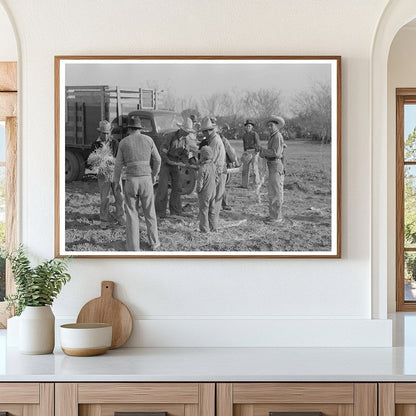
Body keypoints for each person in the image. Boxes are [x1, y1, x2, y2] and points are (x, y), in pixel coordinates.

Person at [112, 114, 161, 251]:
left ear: (129, 129)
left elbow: (117, 165)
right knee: (150, 212)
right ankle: (154, 242)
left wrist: (116, 182)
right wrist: (154, 175)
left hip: (131, 181)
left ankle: (134, 247)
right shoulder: (149, 140)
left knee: (132, 214)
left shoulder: (124, 142)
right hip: (146, 180)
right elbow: (158, 160)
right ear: (140, 128)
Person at [155, 118, 198, 217]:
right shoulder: (170, 137)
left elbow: (185, 154)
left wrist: (188, 162)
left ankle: (175, 212)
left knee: (177, 188)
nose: (187, 134)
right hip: (166, 164)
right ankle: (160, 213)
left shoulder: (186, 140)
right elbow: (163, 150)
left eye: (188, 132)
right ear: (181, 130)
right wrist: (167, 160)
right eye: (186, 132)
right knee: (163, 188)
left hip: (176, 164)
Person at [88, 120, 125, 228]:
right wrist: (99, 162)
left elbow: (120, 158)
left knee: (119, 196)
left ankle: (121, 216)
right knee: (105, 198)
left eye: (108, 133)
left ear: (110, 132)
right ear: (99, 132)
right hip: (103, 175)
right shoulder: (95, 145)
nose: (106, 135)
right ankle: (104, 220)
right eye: (103, 133)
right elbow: (91, 162)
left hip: (115, 174)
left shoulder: (115, 143)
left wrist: (112, 161)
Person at [256, 115, 286, 223]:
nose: (269, 127)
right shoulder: (273, 136)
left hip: (275, 165)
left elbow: (275, 153)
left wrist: (262, 151)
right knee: (273, 192)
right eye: (268, 125)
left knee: (276, 192)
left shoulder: (277, 136)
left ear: (277, 126)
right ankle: (273, 215)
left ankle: (276, 217)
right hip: (272, 165)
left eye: (271, 125)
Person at [199, 116, 226, 231]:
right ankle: (212, 226)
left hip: (217, 173)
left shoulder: (214, 141)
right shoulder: (213, 139)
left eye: (205, 131)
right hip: (216, 172)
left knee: (212, 204)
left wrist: (200, 164)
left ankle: (211, 227)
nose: (205, 133)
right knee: (213, 202)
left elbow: (210, 160)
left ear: (209, 130)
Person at [196, 146, 217, 233]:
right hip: (213, 191)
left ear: (203, 156)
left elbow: (200, 184)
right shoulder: (213, 166)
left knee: (203, 210)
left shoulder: (202, 168)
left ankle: (204, 230)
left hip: (205, 192)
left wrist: (198, 190)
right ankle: (213, 228)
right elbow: (217, 179)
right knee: (212, 210)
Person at [219, 124, 239, 211]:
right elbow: (231, 153)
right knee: (221, 185)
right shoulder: (222, 140)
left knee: (221, 185)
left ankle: (223, 204)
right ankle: (223, 204)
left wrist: (235, 161)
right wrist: (235, 162)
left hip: (220, 165)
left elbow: (231, 153)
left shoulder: (222, 140)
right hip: (219, 165)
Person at [241, 119, 260, 188]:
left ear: (252, 127)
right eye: (247, 126)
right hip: (247, 152)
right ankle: (244, 184)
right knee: (245, 168)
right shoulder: (244, 135)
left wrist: (256, 152)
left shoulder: (254, 134)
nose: (248, 127)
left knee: (254, 168)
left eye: (249, 126)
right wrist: (245, 152)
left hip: (254, 151)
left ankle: (256, 183)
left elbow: (257, 144)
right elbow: (244, 145)